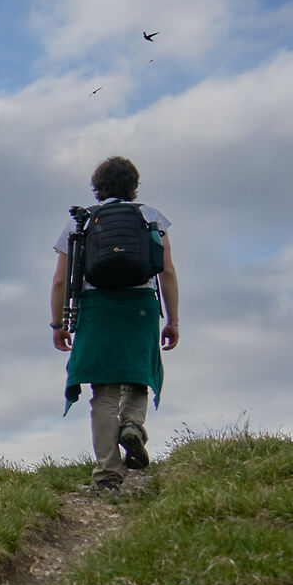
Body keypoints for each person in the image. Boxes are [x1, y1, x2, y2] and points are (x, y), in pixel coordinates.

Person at [51, 156, 179, 492]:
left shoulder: (81, 223)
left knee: (103, 391)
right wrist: (173, 320)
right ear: (134, 186)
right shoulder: (151, 217)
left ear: (97, 186)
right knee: (138, 374)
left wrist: (58, 323)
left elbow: (60, 281)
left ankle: (108, 475)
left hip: (97, 308)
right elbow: (166, 271)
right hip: (141, 306)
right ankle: (133, 425)